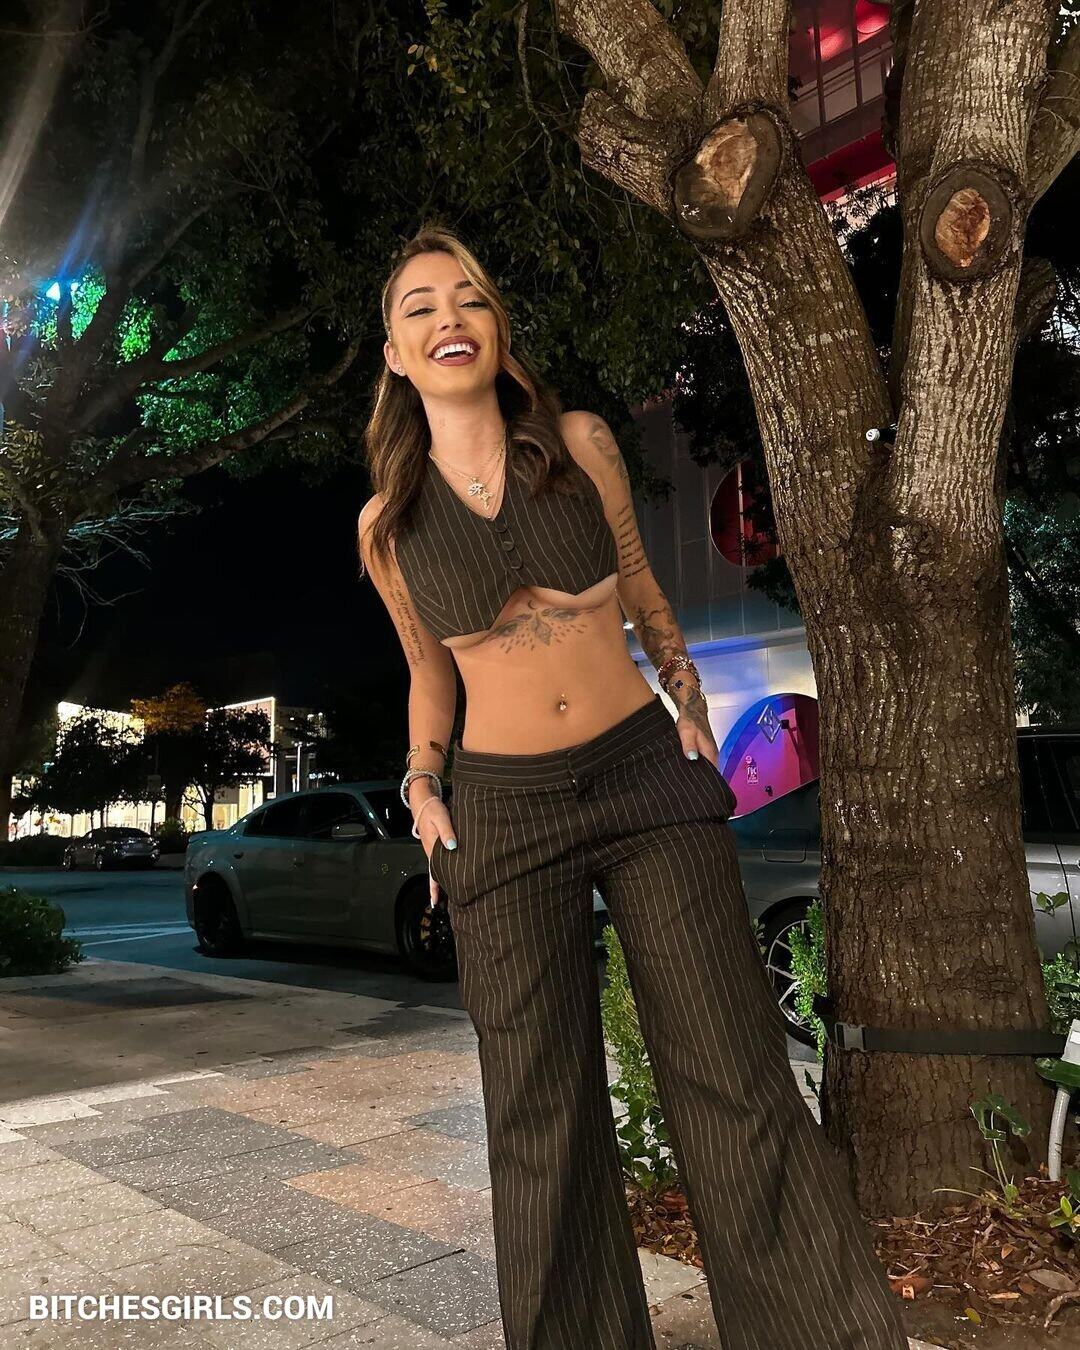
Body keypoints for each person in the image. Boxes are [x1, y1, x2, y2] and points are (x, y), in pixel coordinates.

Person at [357, 222, 908, 1350]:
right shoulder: (388, 526)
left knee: (732, 1069)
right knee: (539, 1115)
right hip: (502, 810)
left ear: (498, 330)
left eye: (470, 298)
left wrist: (689, 699)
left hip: (645, 777)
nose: (450, 318)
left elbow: (647, 592)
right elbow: (428, 672)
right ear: (396, 357)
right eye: (421, 308)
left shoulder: (578, 444)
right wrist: (422, 784)